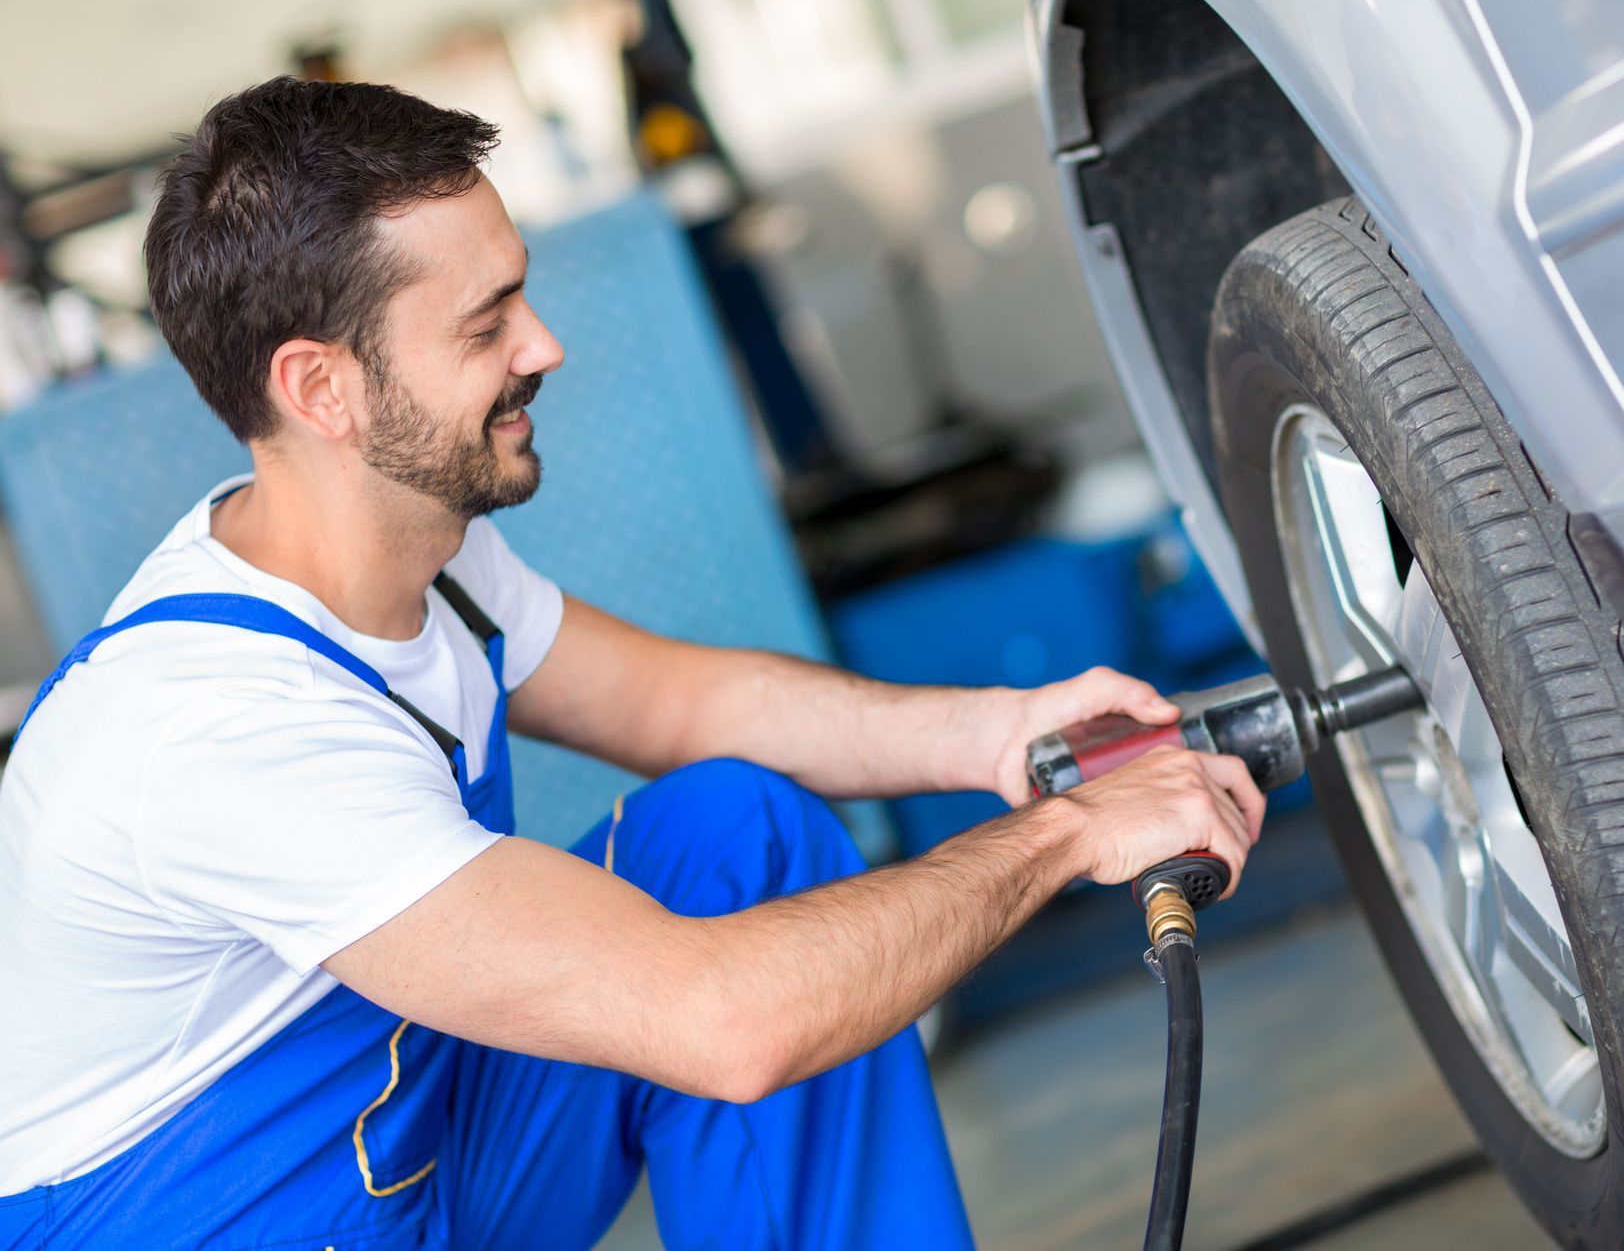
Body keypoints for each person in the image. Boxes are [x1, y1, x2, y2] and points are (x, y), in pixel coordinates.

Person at [0, 77, 1263, 1250]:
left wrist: (998, 736)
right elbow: (726, 1022)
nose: (543, 346)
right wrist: (1070, 832)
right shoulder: (215, 728)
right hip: (201, 1215)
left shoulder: (411, 563)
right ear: (321, 389)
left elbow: (683, 700)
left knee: (731, 840)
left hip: (404, 1153)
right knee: (733, 987)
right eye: (487, 323)